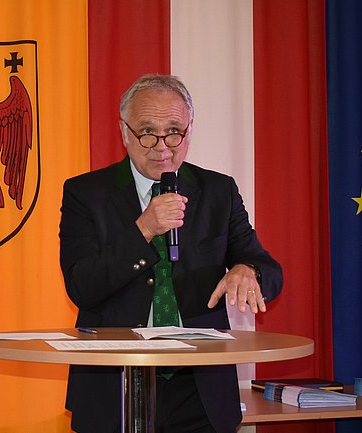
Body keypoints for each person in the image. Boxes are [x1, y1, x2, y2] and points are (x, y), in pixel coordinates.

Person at [59, 74, 282, 433]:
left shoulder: (218, 191)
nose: (162, 147)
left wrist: (248, 269)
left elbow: (266, 266)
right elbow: (82, 286)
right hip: (114, 385)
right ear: (124, 132)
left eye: (174, 132)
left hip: (200, 389)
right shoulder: (86, 193)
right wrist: (144, 229)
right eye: (147, 131)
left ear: (189, 132)